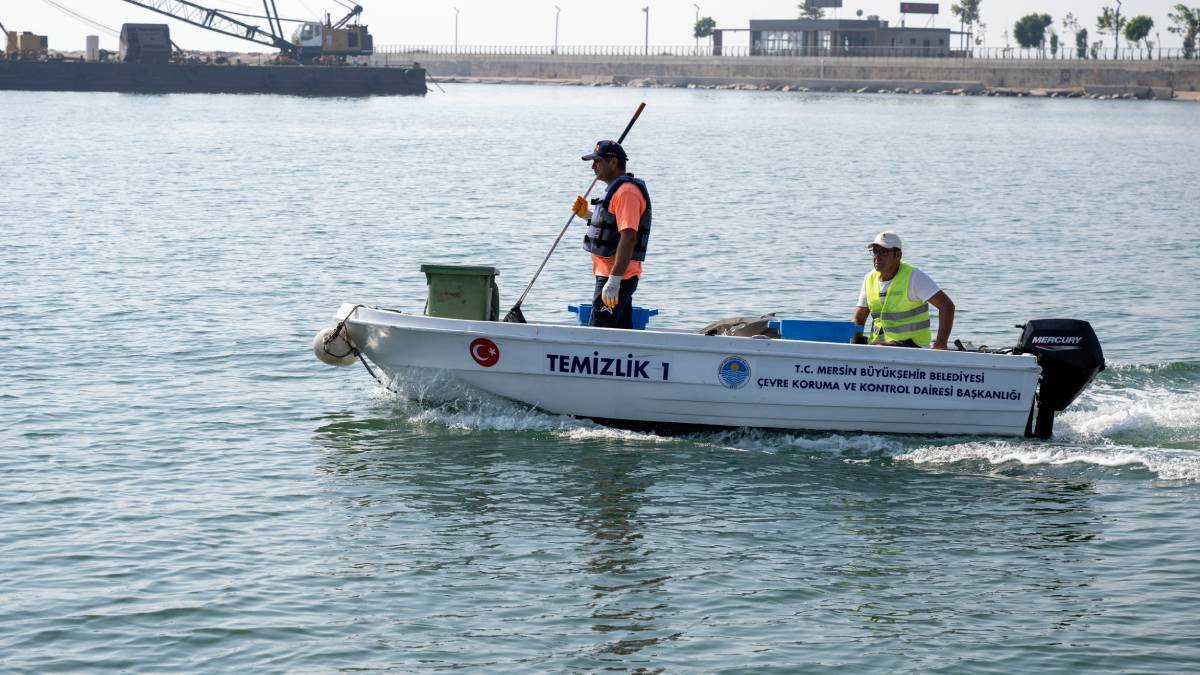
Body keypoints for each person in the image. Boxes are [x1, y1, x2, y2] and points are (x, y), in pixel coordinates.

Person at [570, 140, 652, 329]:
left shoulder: (626, 193)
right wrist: (586, 215)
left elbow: (629, 236)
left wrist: (614, 280)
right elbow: (613, 227)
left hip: (618, 277)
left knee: (597, 335)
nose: (593, 166)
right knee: (620, 336)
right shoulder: (616, 191)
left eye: (597, 161)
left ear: (613, 162)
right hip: (611, 276)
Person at [852, 231, 955, 349]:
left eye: (884, 252)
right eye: (875, 251)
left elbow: (947, 306)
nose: (877, 256)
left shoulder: (914, 277)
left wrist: (941, 343)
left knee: (880, 348)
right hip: (880, 348)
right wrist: (853, 347)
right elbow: (859, 318)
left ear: (898, 255)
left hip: (913, 348)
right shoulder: (869, 279)